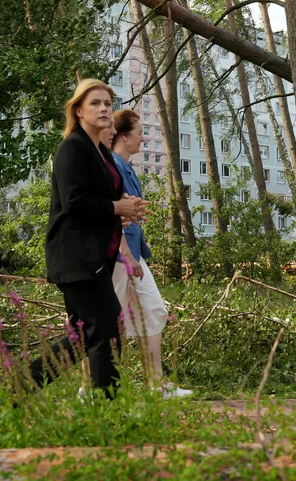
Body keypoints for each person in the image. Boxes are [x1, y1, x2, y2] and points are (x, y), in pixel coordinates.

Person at [28, 79, 148, 399]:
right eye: (95, 103)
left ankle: (17, 388)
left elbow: (98, 205)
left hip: (94, 258)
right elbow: (74, 202)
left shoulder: (102, 154)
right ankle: (106, 406)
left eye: (108, 103)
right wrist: (114, 207)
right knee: (106, 330)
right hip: (75, 257)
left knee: (83, 335)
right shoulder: (73, 147)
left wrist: (123, 212)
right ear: (78, 111)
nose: (104, 109)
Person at [109, 108, 192, 399]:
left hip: (133, 253)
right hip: (119, 257)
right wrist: (125, 254)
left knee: (154, 311)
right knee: (109, 321)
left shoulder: (127, 166)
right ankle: (99, 387)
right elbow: (113, 218)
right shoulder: (114, 166)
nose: (143, 137)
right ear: (124, 135)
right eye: (140, 131)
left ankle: (156, 384)